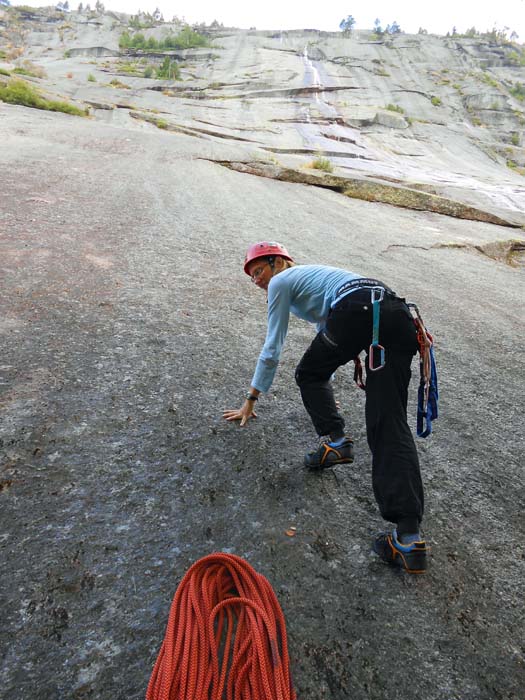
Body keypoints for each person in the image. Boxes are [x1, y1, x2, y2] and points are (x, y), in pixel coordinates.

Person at [223, 241, 429, 574]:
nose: (257, 281)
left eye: (258, 271)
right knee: (389, 422)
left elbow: (273, 347)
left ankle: (335, 441)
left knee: (307, 373)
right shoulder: (318, 281)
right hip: (396, 314)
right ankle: (408, 537)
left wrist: (251, 399)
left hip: (358, 310)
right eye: (252, 277)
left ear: (278, 263)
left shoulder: (282, 282)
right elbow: (329, 342)